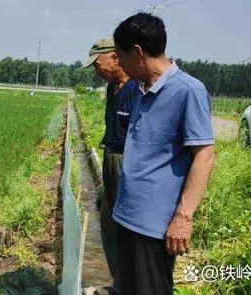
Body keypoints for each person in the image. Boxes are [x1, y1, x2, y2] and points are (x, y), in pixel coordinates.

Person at [112, 13, 216, 294]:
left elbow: (204, 156)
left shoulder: (188, 91)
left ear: (137, 52)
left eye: (120, 56)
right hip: (127, 215)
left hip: (154, 226)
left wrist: (183, 217)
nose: (118, 63)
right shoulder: (138, 88)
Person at [83, 37, 140, 295]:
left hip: (128, 161)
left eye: (97, 64)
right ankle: (120, 282)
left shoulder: (137, 89)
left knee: (128, 226)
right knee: (109, 224)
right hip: (110, 157)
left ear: (116, 57)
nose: (96, 71)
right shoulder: (112, 89)